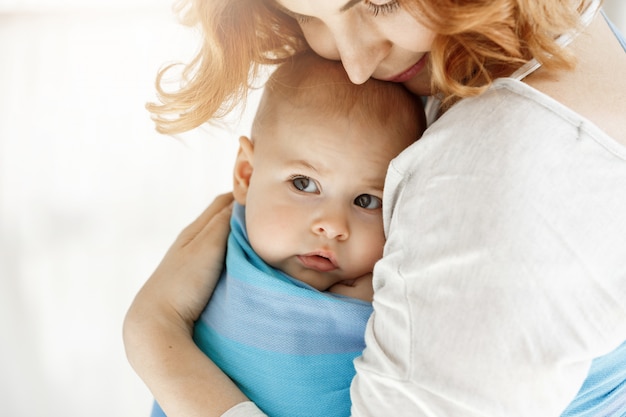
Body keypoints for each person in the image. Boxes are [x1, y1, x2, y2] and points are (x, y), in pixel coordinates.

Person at [124, 0, 626, 416]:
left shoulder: (497, 189)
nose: (356, 64)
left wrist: (153, 335)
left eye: (379, 3)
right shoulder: (520, 40)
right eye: (310, 16)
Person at [140, 51, 426, 417]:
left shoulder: (395, 294)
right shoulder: (213, 247)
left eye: (366, 200)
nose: (333, 225)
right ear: (246, 174)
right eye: (304, 184)